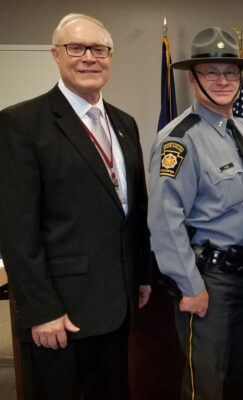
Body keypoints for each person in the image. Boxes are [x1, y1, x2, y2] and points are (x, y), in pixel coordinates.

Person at [0, 13, 152, 399]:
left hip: (117, 305)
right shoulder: (21, 123)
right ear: (56, 54)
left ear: (110, 57)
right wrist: (41, 310)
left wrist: (143, 272)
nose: (89, 57)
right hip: (61, 314)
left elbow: (134, 208)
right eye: (77, 48)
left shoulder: (124, 123)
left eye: (99, 49)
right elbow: (16, 228)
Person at [147, 27, 243, 400]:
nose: (222, 80)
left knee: (239, 381)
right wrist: (190, 286)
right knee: (207, 387)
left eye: (230, 72)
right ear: (192, 76)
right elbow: (165, 220)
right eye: (211, 71)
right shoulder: (179, 139)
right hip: (207, 281)